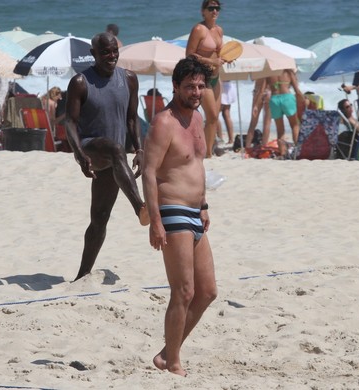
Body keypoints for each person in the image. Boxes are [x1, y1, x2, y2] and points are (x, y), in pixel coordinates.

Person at [142, 55, 217, 377]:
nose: (196, 91)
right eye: (190, 86)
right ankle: (173, 363)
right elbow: (148, 171)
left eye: (201, 86)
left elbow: (196, 167)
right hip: (171, 211)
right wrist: (155, 222)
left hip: (194, 212)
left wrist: (203, 205)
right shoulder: (164, 122)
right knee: (183, 291)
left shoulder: (197, 119)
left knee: (208, 291)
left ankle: (165, 353)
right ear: (175, 87)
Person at [64, 32, 149, 281]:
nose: (111, 56)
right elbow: (70, 122)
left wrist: (140, 150)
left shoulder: (129, 79)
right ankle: (140, 208)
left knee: (99, 218)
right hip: (91, 148)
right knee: (114, 148)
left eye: (114, 51)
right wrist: (79, 155)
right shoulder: (80, 82)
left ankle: (82, 275)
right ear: (93, 54)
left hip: (116, 161)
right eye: (105, 52)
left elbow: (133, 119)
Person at [186, 0, 226, 158]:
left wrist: (226, 58)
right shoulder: (198, 29)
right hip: (203, 79)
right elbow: (189, 54)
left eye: (217, 8)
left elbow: (219, 53)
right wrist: (211, 61)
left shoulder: (219, 30)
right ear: (203, 11)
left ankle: (207, 153)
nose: (215, 11)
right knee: (212, 116)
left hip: (216, 77)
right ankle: (205, 153)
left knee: (214, 119)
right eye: (211, 8)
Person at [267, 68, 303, 158]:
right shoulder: (288, 72)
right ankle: (298, 150)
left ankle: (283, 153)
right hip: (287, 98)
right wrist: (302, 100)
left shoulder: (269, 72)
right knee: (295, 125)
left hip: (274, 99)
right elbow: (296, 90)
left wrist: (256, 105)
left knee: (280, 129)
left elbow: (263, 90)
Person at [244, 78, 271, 151]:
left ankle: (248, 146)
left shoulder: (259, 67)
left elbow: (252, 78)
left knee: (253, 123)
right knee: (267, 123)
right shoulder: (270, 68)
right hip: (268, 92)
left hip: (258, 91)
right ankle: (264, 146)